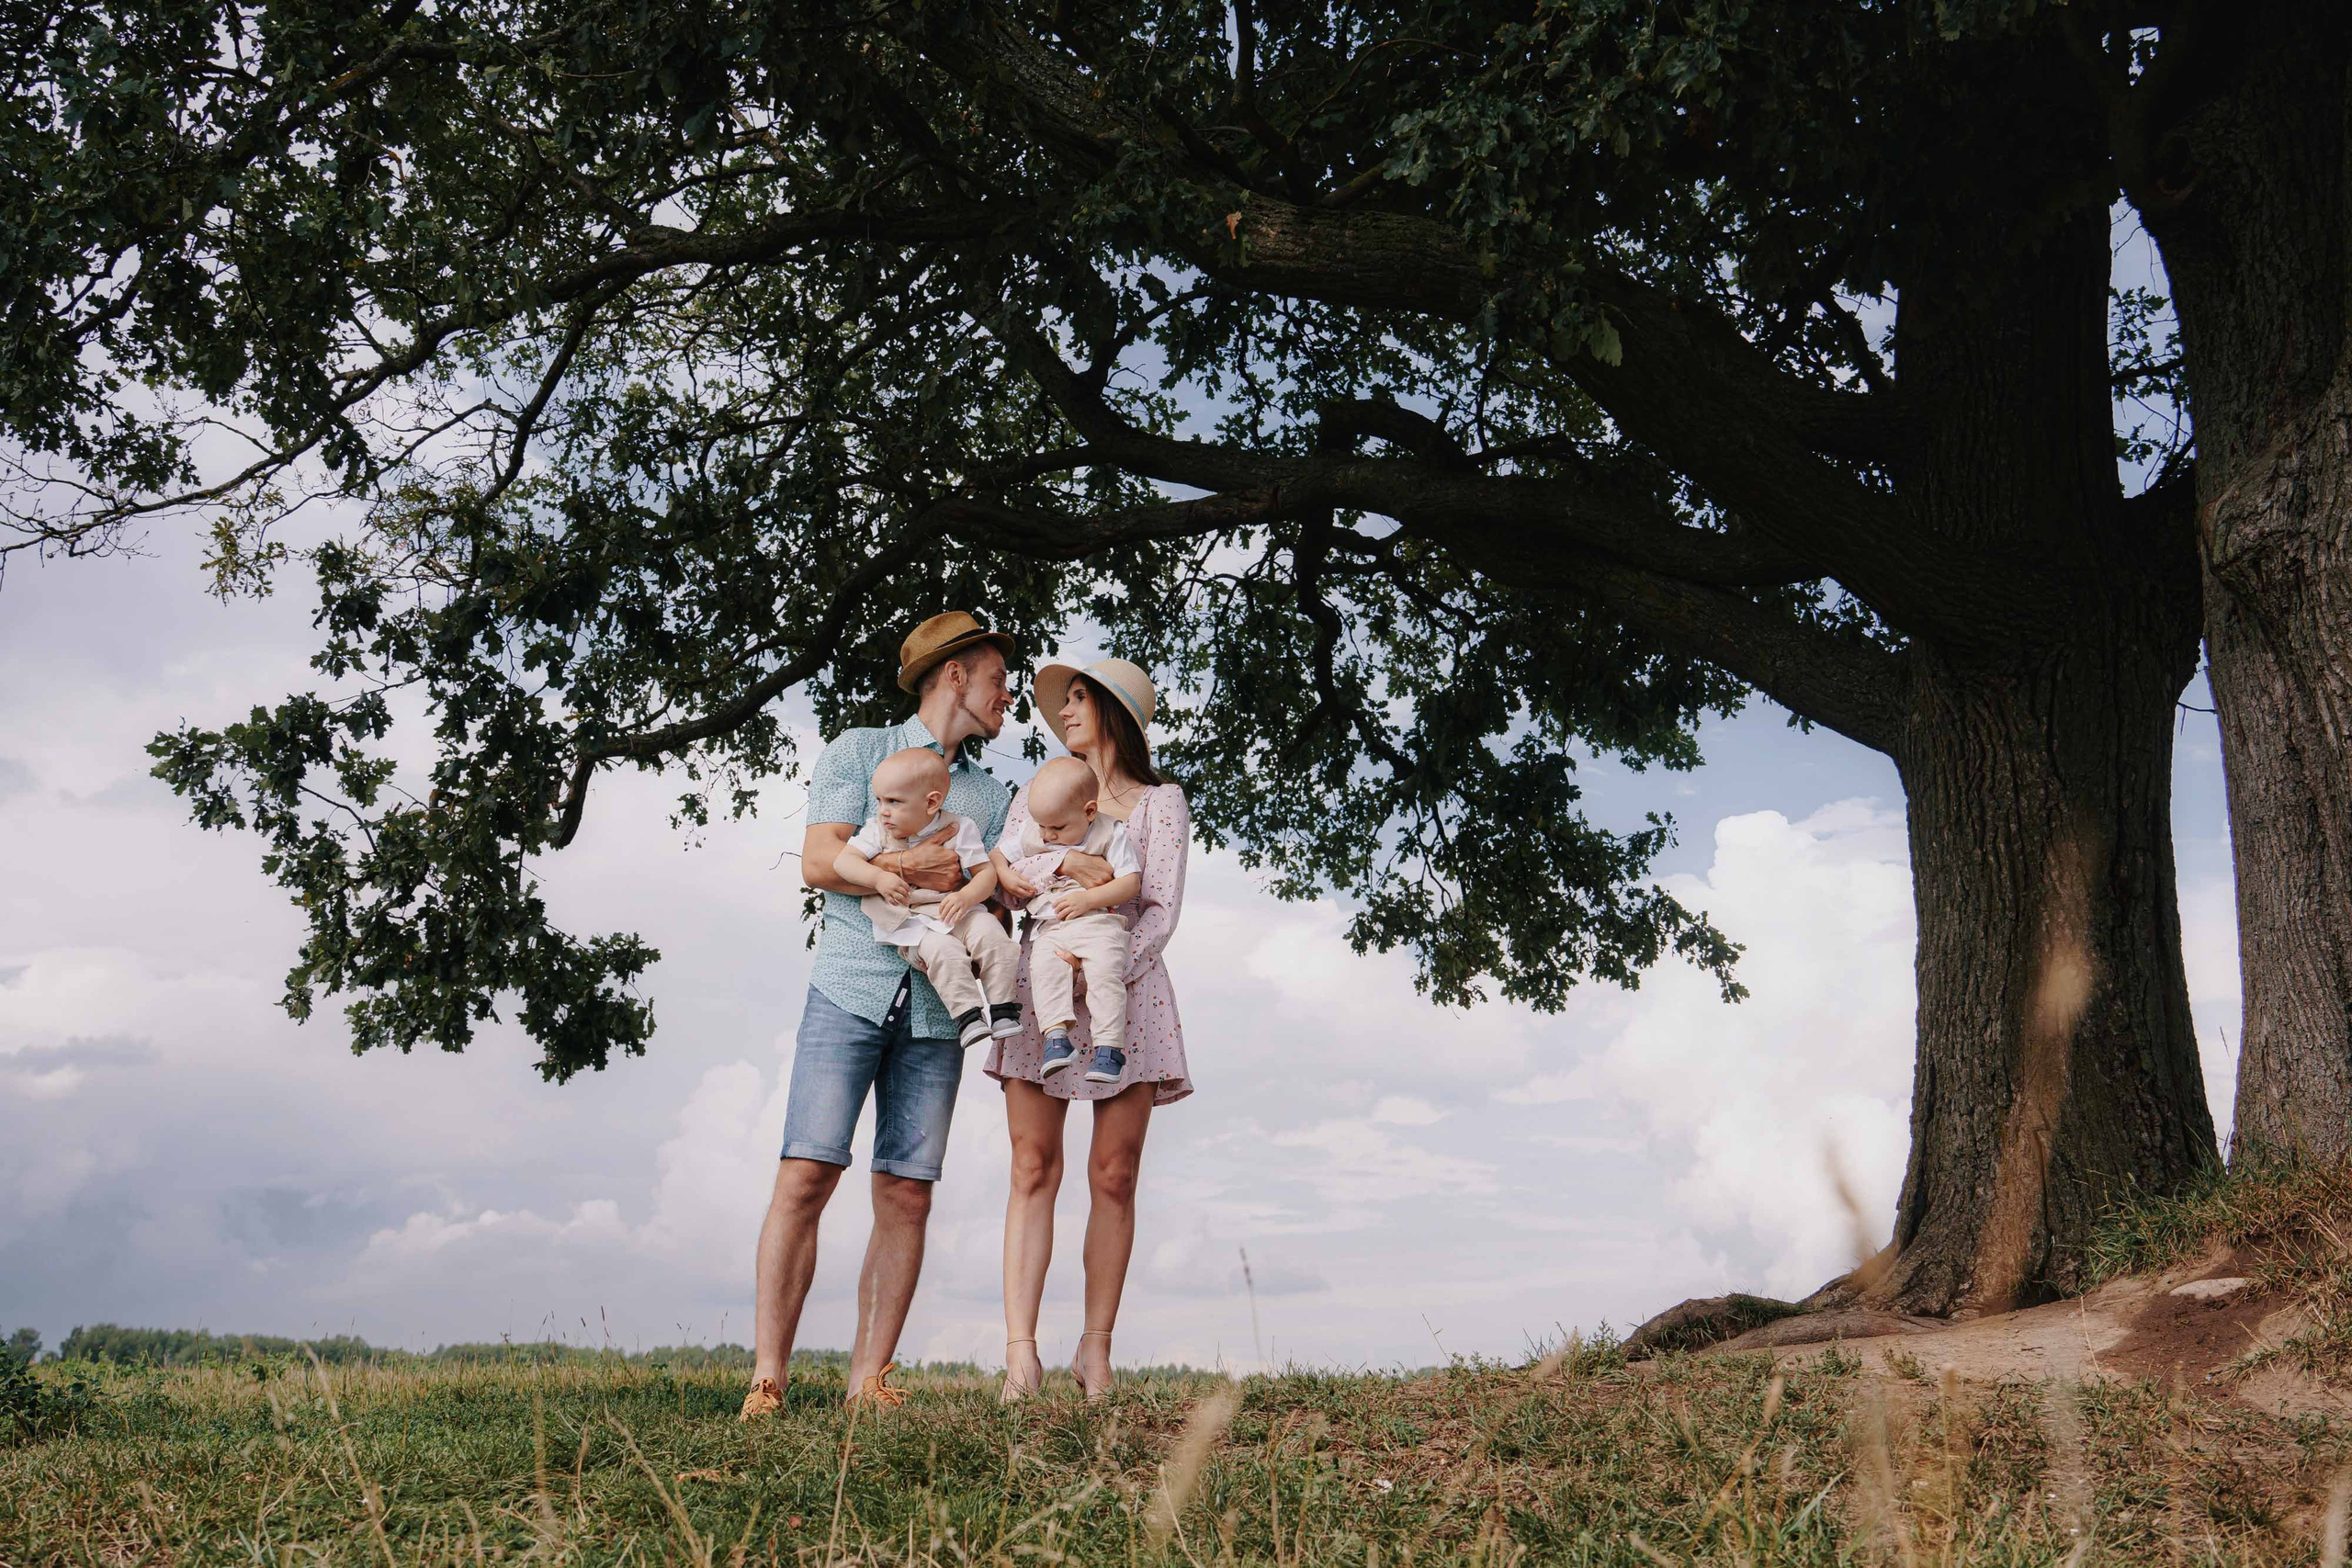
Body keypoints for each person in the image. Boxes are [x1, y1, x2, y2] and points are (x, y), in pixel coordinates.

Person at [741, 612, 1015, 1419]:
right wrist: (906, 863)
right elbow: (821, 862)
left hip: (939, 1015)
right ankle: (767, 1377)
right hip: (849, 989)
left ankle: (870, 1382)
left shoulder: (992, 798)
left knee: (907, 1193)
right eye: (998, 679)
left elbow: (988, 893)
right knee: (807, 1172)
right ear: (955, 674)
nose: (1007, 697)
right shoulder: (858, 751)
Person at [982, 658, 1193, 1403]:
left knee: (1115, 1173)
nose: (1063, 710)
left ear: (1113, 712)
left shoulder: (1160, 803)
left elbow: (1159, 909)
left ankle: (1094, 1351)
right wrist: (1053, 959)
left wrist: (1101, 970)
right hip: (1040, 989)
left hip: (1127, 993)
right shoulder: (1036, 791)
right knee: (1032, 1165)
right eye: (1063, 699)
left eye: (1078, 698)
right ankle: (1020, 1357)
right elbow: (1009, 875)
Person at [834, 746, 1023, 1049]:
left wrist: (966, 896)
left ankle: (1003, 1009)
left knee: (992, 935)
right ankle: (968, 1016)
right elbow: (843, 862)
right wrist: (880, 876)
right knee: (943, 951)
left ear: (932, 802)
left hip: (955, 908)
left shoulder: (959, 827)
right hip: (912, 922)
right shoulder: (876, 830)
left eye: (894, 801)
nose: (883, 810)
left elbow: (986, 873)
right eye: (880, 800)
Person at [990, 756, 1142, 1082]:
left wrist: (1088, 898)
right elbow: (998, 854)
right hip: (1051, 927)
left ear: (1089, 811)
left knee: (1104, 974)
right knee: (1043, 970)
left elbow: (1130, 882)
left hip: (1097, 923)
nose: (1048, 835)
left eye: (1057, 828)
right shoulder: (1037, 831)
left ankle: (1109, 1047)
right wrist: (1004, 872)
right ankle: (1056, 1037)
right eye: (1042, 826)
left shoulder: (1110, 832)